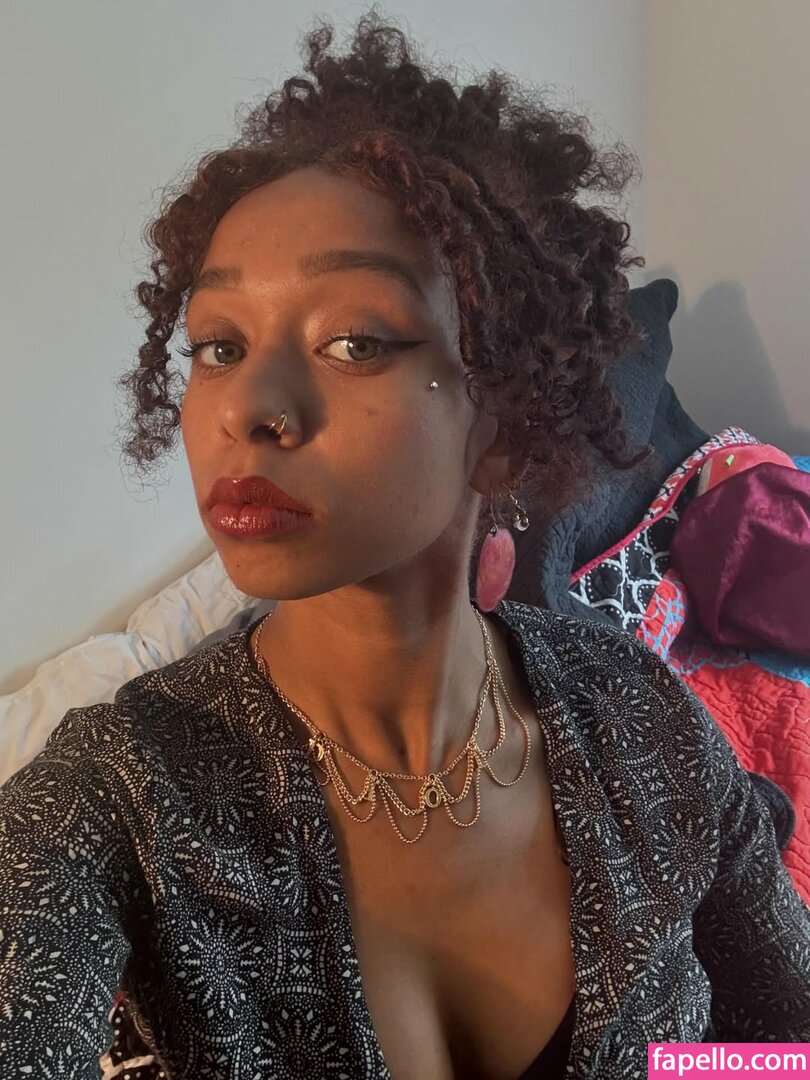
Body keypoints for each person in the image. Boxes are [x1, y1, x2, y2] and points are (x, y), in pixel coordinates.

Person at [1, 9, 809, 1079]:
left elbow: (786, 1047)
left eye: (352, 341)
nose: (249, 408)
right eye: (218, 345)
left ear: (504, 426)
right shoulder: (114, 799)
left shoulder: (642, 722)